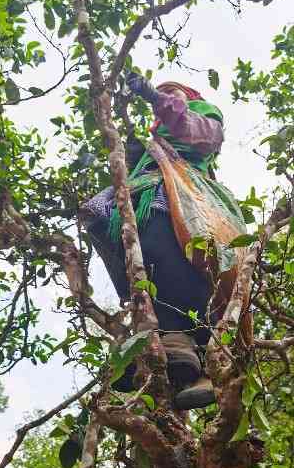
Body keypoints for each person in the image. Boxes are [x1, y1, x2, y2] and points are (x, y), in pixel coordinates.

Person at [80, 73, 251, 409]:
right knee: (98, 218)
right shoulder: (152, 146)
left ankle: (187, 346)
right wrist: (131, 152)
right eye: (163, 95)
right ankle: (157, 339)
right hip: (140, 190)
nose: (166, 100)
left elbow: (198, 135)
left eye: (174, 94)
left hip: (184, 190)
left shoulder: (205, 115)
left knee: (162, 231)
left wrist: (155, 96)